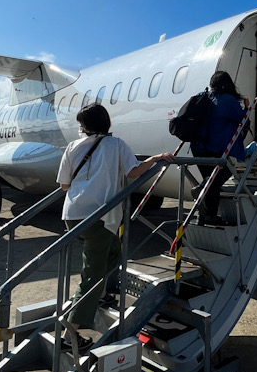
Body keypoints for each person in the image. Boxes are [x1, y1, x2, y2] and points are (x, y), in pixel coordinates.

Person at [56, 104, 174, 351]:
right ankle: (70, 335)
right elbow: (133, 172)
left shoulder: (72, 146)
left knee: (113, 252)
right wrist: (154, 159)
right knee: (92, 273)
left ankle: (101, 295)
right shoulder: (116, 145)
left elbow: (64, 185)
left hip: (73, 215)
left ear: (85, 126)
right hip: (99, 216)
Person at [189, 71, 248, 226]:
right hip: (213, 148)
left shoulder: (204, 96)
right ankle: (209, 212)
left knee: (211, 179)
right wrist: (248, 108)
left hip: (197, 147)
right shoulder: (228, 100)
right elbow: (242, 119)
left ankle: (205, 214)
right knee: (218, 178)